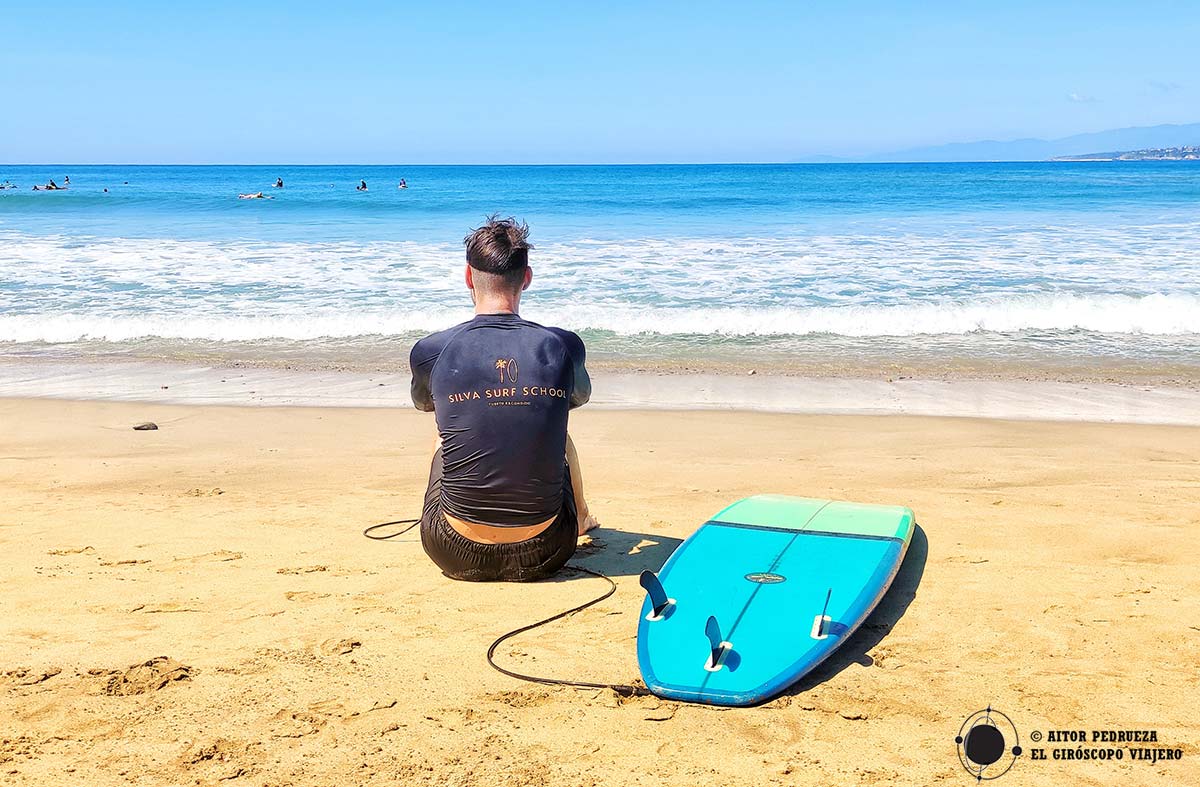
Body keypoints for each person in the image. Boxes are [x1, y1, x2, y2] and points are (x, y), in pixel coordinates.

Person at [409, 216, 598, 582]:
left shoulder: (432, 350)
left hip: (450, 549)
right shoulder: (563, 345)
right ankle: (583, 519)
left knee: (444, 435)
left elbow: (425, 403)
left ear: (468, 277)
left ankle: (464, 513)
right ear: (526, 278)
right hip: (549, 548)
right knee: (559, 431)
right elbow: (576, 398)